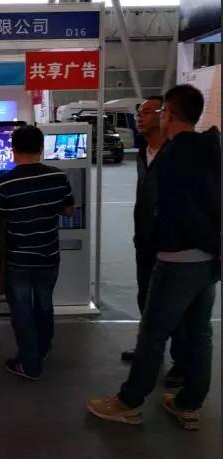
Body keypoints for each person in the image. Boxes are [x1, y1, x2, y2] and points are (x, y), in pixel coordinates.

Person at [88, 85, 221, 430]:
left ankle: (129, 402)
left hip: (176, 258)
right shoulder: (211, 148)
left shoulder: (173, 156)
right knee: (200, 332)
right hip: (207, 259)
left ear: (169, 114)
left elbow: (175, 211)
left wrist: (157, 240)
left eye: (159, 112)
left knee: (152, 333)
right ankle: (189, 403)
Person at [0, 125, 75, 380]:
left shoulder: (5, 182)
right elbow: (69, 211)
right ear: (41, 148)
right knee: (44, 304)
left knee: (22, 310)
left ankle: (29, 363)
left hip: (19, 258)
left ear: (13, 149)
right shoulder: (59, 177)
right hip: (49, 255)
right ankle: (43, 348)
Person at [121, 96, 187, 389]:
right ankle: (148, 349)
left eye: (147, 112)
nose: (140, 117)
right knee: (145, 298)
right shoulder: (142, 153)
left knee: (175, 307)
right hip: (145, 242)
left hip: (173, 246)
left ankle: (182, 363)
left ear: (164, 115)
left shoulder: (176, 154)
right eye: (139, 112)